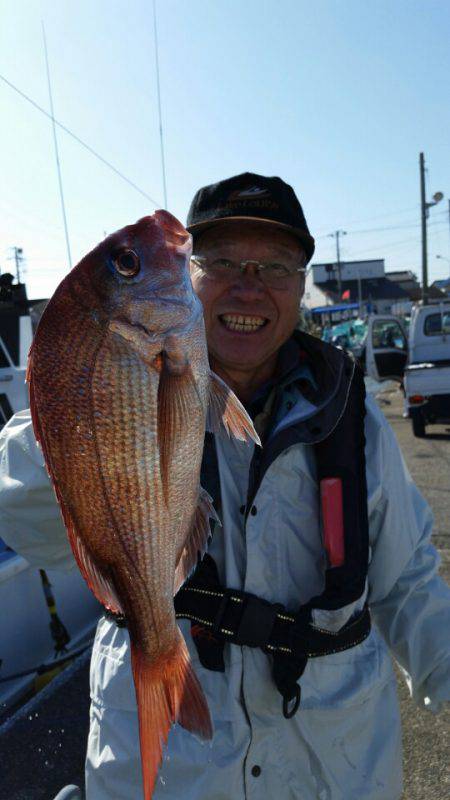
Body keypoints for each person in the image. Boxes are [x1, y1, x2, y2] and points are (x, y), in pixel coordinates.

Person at [0, 172, 449, 800]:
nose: (250, 286)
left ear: (301, 289)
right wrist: (75, 402)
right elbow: (28, 524)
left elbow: (408, 581)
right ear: (190, 277)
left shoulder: (353, 414)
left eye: (275, 266)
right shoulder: (102, 392)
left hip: (333, 768)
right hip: (169, 773)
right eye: (223, 262)